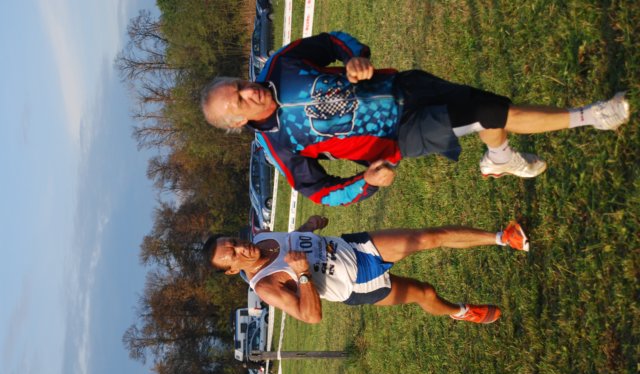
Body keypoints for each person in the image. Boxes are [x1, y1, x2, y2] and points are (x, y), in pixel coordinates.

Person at [200, 32, 630, 206]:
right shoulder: (279, 146)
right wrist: (367, 182)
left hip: (405, 85)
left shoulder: (280, 64)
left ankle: (499, 158)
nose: (248, 91)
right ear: (237, 123)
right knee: (491, 114)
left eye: (239, 85)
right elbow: (320, 192)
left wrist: (354, 58)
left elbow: (333, 41)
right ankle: (596, 116)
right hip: (402, 134)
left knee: (493, 107)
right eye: (238, 101)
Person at [203, 215, 530, 324]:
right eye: (233, 254)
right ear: (232, 270)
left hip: (353, 248)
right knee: (424, 292)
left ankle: (504, 238)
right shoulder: (265, 286)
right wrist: (302, 275)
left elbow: (292, 243)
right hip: (357, 283)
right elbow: (311, 316)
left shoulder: (262, 237)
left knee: (428, 237)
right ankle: (460, 312)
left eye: (234, 241)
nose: (241, 248)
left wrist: (307, 228)